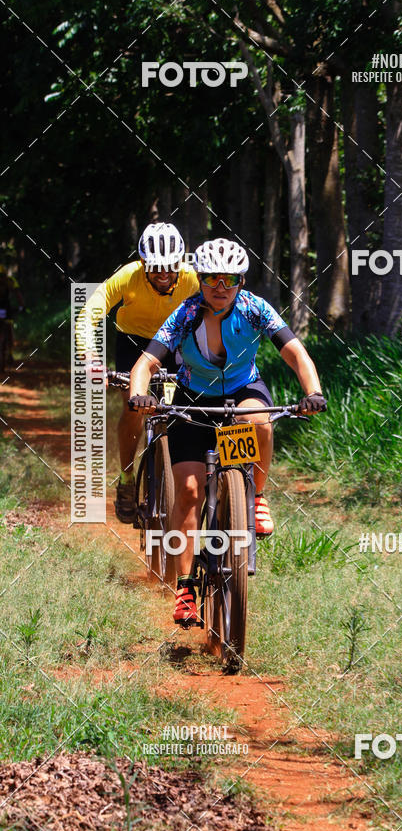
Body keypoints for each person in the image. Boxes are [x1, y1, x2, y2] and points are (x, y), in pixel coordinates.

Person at [128, 238, 326, 625]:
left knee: (260, 419)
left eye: (230, 279)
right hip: (193, 401)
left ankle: (257, 499)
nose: (221, 286)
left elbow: (294, 353)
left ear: (241, 280)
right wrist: (138, 394)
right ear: (199, 279)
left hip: (242, 393)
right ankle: (185, 587)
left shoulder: (254, 309)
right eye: (211, 278)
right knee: (187, 491)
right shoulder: (185, 314)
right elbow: (147, 363)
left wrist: (313, 392)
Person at [75, 223, 199, 522]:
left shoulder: (193, 278)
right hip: (134, 343)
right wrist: (90, 357)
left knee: (184, 409)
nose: (163, 273)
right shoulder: (128, 275)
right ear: (143, 263)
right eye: (155, 267)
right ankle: (128, 479)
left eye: (170, 265)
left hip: (176, 343)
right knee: (133, 407)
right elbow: (88, 313)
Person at [0, 265, 25, 364]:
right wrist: (22, 306)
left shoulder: (10, 281)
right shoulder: (10, 281)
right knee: (8, 327)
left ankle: (10, 352)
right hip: (6, 308)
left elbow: (17, 294)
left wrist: (21, 305)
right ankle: (10, 353)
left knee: (8, 327)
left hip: (5, 308)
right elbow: (18, 294)